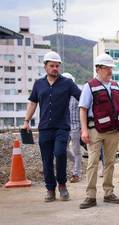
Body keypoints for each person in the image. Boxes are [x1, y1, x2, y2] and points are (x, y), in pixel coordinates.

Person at [23, 51, 81, 202]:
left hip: (62, 127)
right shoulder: (38, 84)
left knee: (60, 153)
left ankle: (62, 185)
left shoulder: (67, 83)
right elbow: (33, 102)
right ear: (45, 67)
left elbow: (82, 97)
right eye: (52, 66)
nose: (55, 68)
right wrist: (26, 121)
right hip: (44, 128)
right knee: (46, 159)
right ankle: (50, 189)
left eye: (57, 66)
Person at [79, 53, 119, 209]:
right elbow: (83, 109)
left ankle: (108, 193)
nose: (110, 71)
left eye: (111, 68)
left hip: (113, 131)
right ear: (98, 69)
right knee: (92, 163)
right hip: (95, 130)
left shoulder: (115, 86)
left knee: (110, 162)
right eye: (107, 68)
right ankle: (90, 196)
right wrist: (84, 130)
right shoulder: (90, 86)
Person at [62, 72, 82, 183]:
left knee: (76, 151)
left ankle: (76, 174)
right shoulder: (62, 96)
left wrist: (84, 127)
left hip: (76, 126)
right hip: (65, 127)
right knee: (62, 150)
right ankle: (77, 162)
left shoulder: (78, 94)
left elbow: (84, 110)